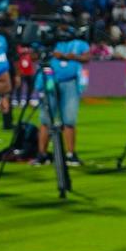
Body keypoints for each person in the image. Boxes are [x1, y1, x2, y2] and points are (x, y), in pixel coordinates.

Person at [33, 21, 90, 167]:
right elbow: (36, 55)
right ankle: (42, 155)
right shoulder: (51, 40)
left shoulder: (78, 41)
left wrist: (72, 57)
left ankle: (71, 154)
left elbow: (87, 57)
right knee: (46, 120)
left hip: (70, 82)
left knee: (69, 120)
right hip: (50, 80)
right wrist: (51, 53)